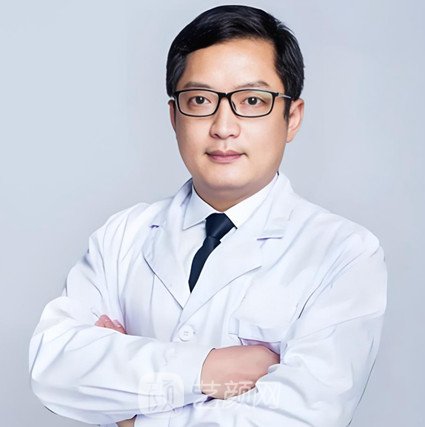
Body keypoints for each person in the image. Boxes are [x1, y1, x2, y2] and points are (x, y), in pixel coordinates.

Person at [29, 5, 387, 427]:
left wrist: (131, 414)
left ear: (291, 118)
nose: (223, 126)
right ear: (174, 117)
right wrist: (211, 369)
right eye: (200, 100)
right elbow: (54, 370)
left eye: (252, 101)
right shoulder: (122, 235)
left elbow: (303, 415)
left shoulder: (344, 252)